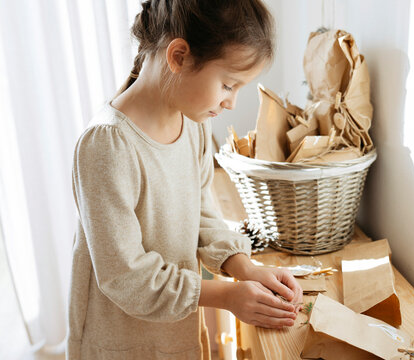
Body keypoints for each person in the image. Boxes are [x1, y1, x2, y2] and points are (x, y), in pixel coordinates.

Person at [67, 0, 302, 359]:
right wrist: (225, 296)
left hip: (174, 332)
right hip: (120, 343)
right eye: (227, 85)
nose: (231, 103)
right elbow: (124, 277)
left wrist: (246, 268)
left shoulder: (192, 123)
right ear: (178, 56)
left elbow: (202, 213)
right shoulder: (107, 145)